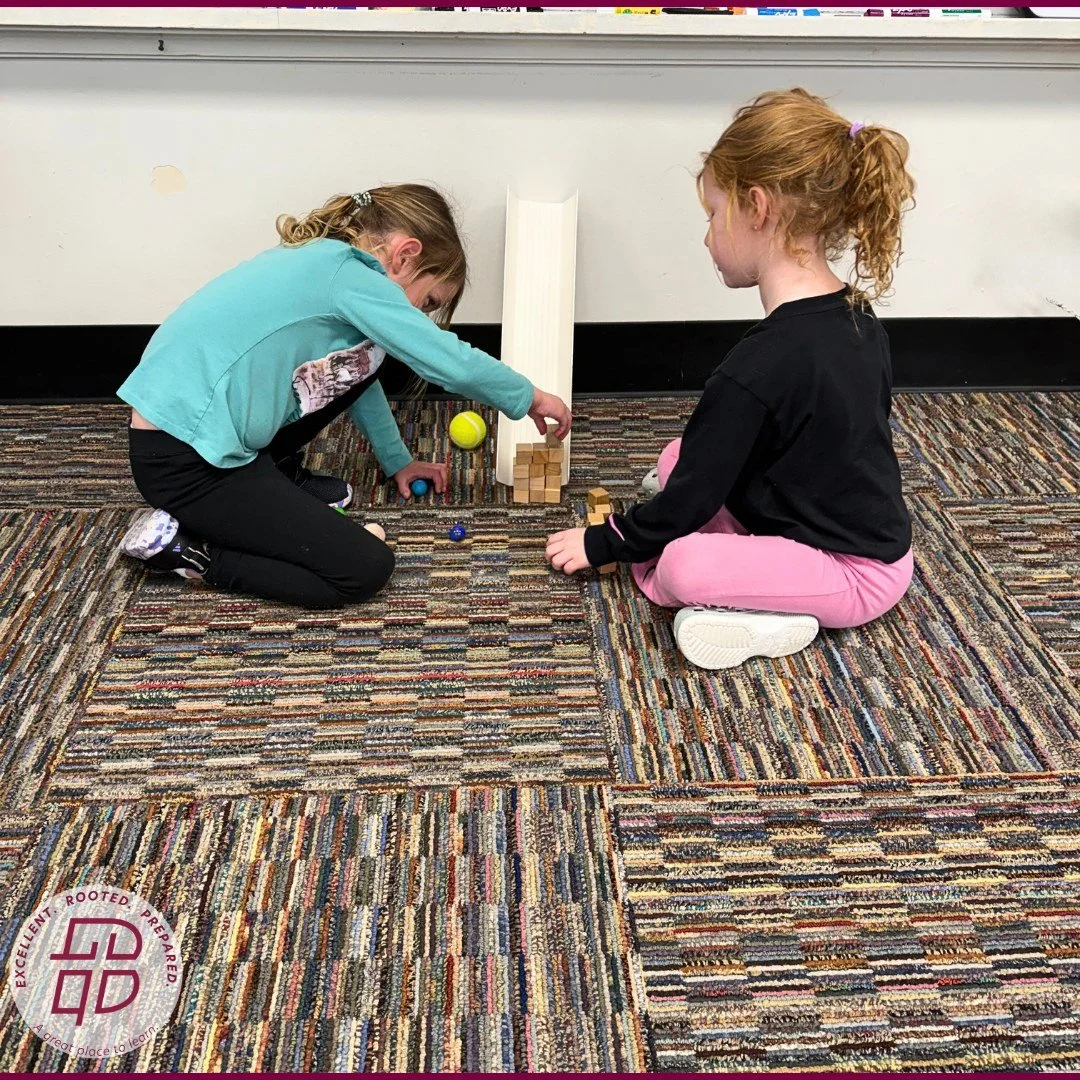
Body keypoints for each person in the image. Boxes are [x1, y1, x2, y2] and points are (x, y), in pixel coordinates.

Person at [546, 88, 916, 670]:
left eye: (714, 214)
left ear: (758, 208)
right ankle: (758, 574)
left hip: (856, 571)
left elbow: (688, 502)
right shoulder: (858, 315)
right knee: (678, 457)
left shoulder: (755, 369)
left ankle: (772, 617)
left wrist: (606, 541)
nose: (707, 235)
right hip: (807, 514)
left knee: (678, 565)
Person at [118, 183, 571, 609]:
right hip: (186, 463)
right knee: (363, 568)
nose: (423, 316)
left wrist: (398, 460)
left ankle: (275, 474)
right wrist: (529, 396)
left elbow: (353, 375)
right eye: (429, 302)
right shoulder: (353, 279)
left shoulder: (324, 263)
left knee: (366, 357)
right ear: (405, 255)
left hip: (195, 435)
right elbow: (443, 358)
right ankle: (189, 554)